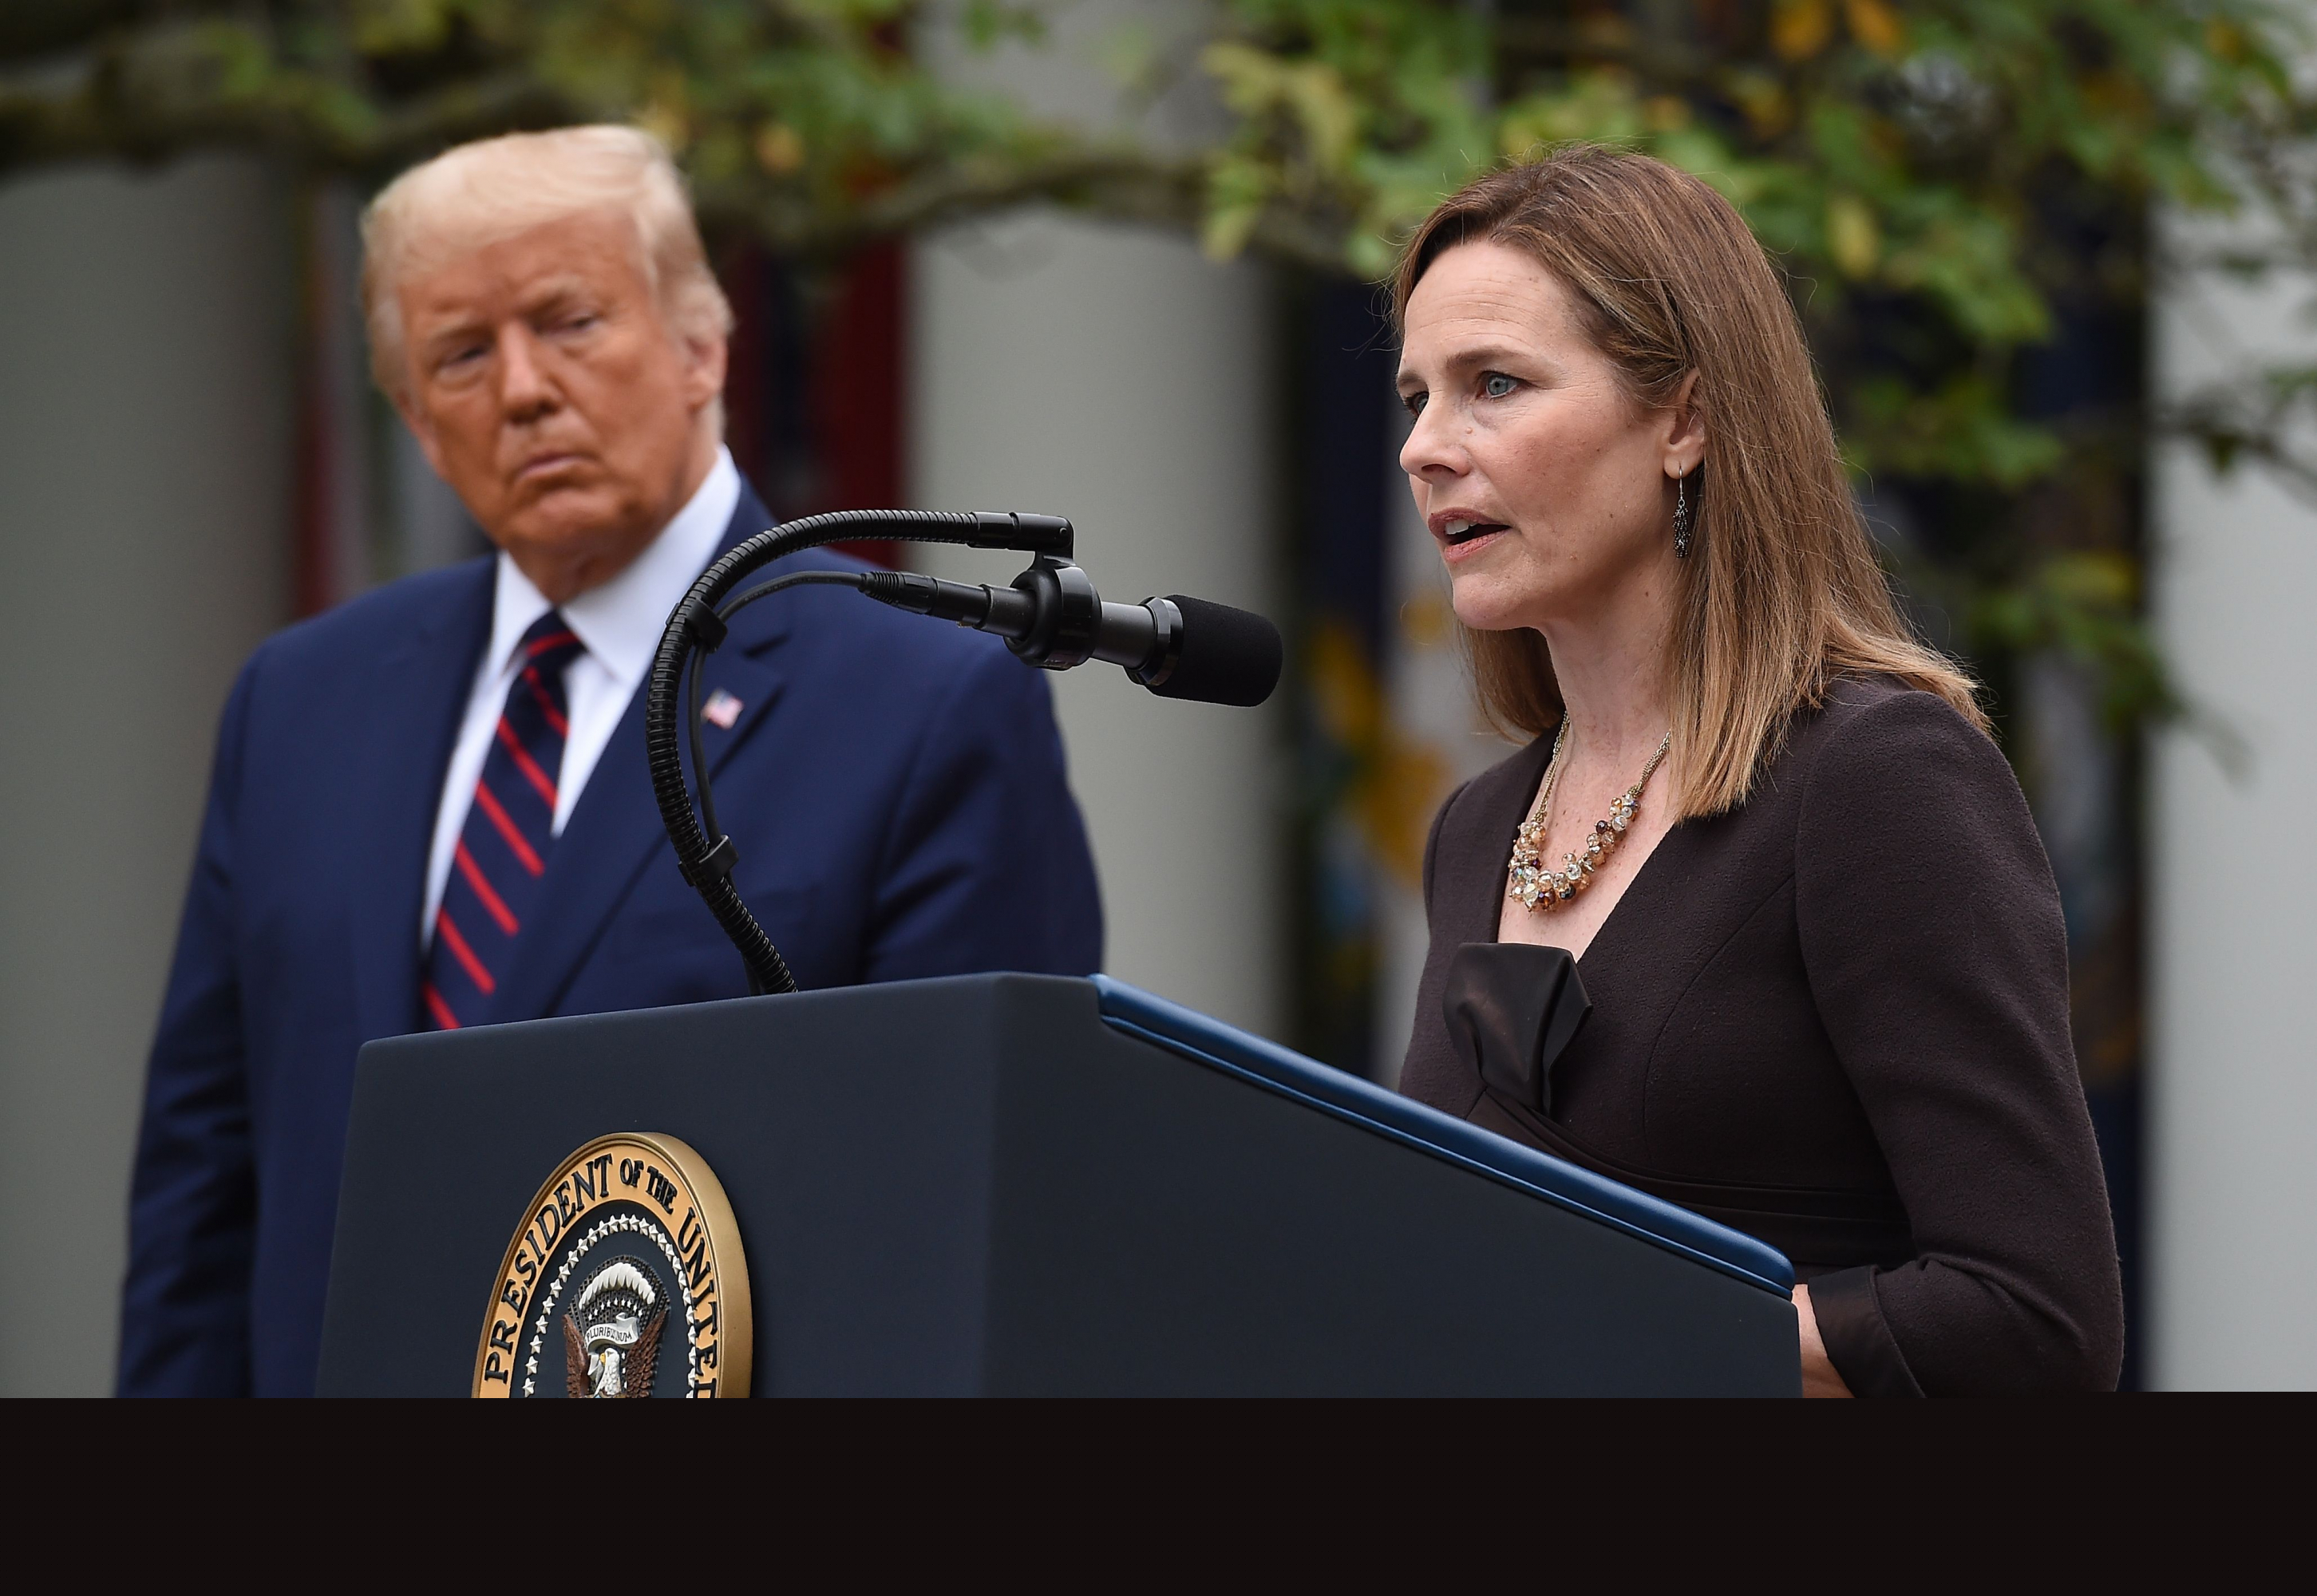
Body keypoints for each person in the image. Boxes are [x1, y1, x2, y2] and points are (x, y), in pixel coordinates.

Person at [119, 126, 1102, 1396]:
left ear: (701, 346)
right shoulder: (298, 706)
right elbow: (203, 1202)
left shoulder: (923, 699)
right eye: (462, 355)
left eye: (569, 322)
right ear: (418, 421)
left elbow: (986, 1218)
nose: (522, 388)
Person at [1391, 146, 2123, 1396]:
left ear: (1685, 419)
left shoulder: (1876, 781)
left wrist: (1624, 1333)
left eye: (1494, 385)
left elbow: (2035, 1316)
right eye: (1415, 397)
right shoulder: (1475, 830)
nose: (1426, 448)